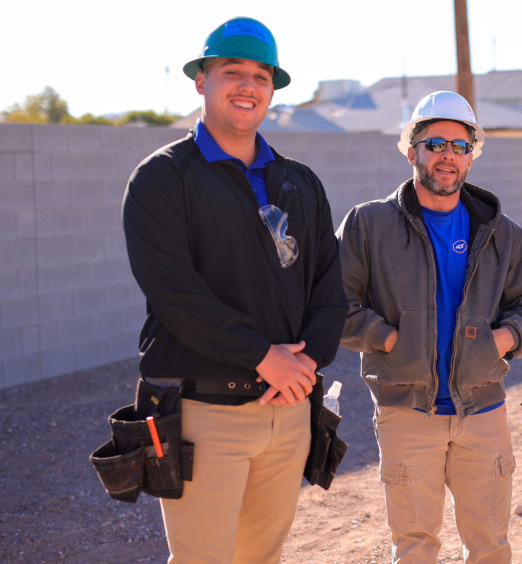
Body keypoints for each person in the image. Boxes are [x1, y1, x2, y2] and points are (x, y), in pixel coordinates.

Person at [121, 17, 347, 563]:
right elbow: (177, 296)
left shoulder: (301, 182)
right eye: (231, 72)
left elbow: (329, 288)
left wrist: (308, 362)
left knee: (262, 558)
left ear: (272, 89)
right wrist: (262, 356)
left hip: (290, 408)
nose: (248, 86)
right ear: (201, 80)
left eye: (260, 75)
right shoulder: (163, 179)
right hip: (205, 414)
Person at [337, 91, 522, 564]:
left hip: (483, 413)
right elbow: (333, 305)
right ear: (412, 151)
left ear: (473, 155)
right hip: (407, 414)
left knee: (491, 546)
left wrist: (503, 339)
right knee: (414, 547)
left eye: (460, 146)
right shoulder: (368, 225)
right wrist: (390, 339)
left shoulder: (503, 233)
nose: (447, 156)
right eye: (435, 144)